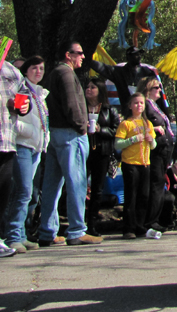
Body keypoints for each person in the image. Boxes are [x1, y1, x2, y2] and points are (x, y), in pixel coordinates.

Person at [38, 41, 103, 247]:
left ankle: (47, 231)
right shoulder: (66, 74)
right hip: (70, 134)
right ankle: (76, 230)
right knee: (77, 182)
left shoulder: (54, 73)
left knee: (52, 185)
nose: (83, 57)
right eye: (80, 53)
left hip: (55, 134)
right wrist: (81, 127)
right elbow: (72, 103)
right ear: (68, 55)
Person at [4, 57, 42, 254]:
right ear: (25, 71)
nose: (38, 71)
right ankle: (12, 236)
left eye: (42, 68)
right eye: (34, 68)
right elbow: (16, 115)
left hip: (35, 146)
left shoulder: (39, 92)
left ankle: (20, 234)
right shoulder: (18, 86)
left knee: (29, 194)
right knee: (22, 191)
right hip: (21, 144)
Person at [115, 92, 157, 238]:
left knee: (144, 195)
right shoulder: (126, 124)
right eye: (136, 103)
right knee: (131, 196)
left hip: (145, 163)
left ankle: (140, 225)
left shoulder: (148, 124)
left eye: (141, 103)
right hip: (130, 163)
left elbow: (153, 146)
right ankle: (128, 227)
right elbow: (118, 144)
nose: (139, 105)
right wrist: (132, 139)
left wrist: (151, 139)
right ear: (130, 106)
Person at [84, 77, 120, 237]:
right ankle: (78, 221)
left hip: (102, 152)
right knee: (78, 186)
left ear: (100, 90)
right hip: (84, 151)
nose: (89, 89)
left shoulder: (108, 110)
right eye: (87, 87)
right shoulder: (81, 108)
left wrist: (101, 130)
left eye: (93, 87)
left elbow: (116, 131)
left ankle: (92, 223)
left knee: (97, 189)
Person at [137, 77, 174, 233]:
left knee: (159, 184)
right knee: (156, 184)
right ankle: (151, 220)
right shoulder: (144, 104)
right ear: (147, 89)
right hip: (155, 150)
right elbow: (139, 123)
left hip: (164, 149)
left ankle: (156, 218)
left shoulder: (155, 106)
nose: (160, 90)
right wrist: (153, 128)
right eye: (156, 87)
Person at [90, 46, 158, 111]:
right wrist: (88, 60)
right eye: (136, 54)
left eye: (140, 54)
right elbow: (102, 68)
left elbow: (156, 91)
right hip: (127, 111)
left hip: (146, 111)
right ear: (128, 57)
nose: (139, 56)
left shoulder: (148, 72)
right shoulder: (119, 72)